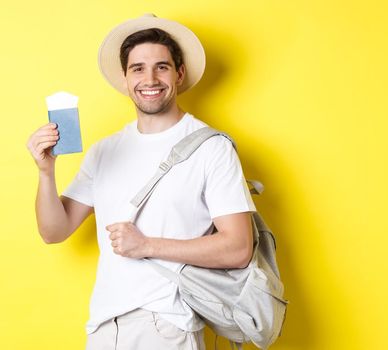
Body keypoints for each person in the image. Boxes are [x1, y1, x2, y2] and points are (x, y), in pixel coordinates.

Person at [26, 14, 256, 350]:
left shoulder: (211, 147)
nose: (150, 78)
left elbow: (238, 248)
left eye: (161, 67)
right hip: (104, 327)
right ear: (125, 78)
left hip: (167, 325)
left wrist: (147, 246)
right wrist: (46, 172)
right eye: (138, 68)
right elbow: (53, 231)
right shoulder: (104, 151)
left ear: (179, 73)